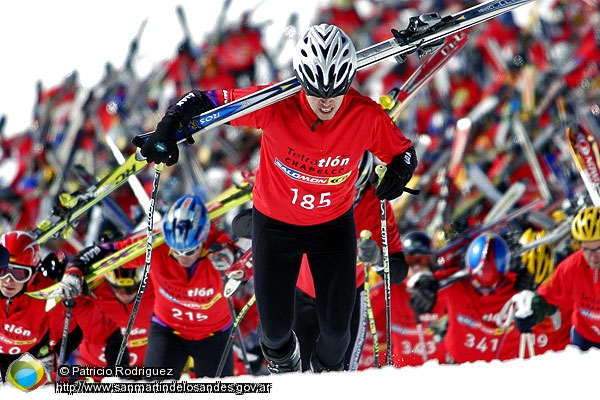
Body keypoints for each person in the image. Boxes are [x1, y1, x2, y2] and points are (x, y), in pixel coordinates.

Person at [137, 23, 417, 373]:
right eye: (317, 91)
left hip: (332, 229)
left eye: (337, 91)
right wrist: (170, 122)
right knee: (275, 334)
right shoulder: (275, 103)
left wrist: (398, 173)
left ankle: (325, 384)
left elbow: (404, 152)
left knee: (336, 337)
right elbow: (204, 100)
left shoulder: (365, 114)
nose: (327, 102)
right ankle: (289, 373)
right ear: (303, 81)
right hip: (276, 227)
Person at [56, 194, 240, 379]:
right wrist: (74, 270)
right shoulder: (156, 244)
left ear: (203, 239)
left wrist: (232, 259)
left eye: (190, 250)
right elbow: (108, 251)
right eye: (176, 250)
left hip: (214, 335)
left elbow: (249, 261)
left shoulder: (219, 246)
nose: (182, 256)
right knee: (154, 390)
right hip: (169, 332)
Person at [293, 151, 407, 371]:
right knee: (296, 374)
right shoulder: (311, 191)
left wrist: (377, 258)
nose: (348, 197)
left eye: (356, 190)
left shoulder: (376, 205)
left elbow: (399, 270)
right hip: (303, 296)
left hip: (347, 300)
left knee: (342, 375)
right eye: (341, 189)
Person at [0, 231, 124, 382]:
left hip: (26, 364)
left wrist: (57, 356)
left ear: (32, 275)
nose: (8, 280)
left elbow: (74, 333)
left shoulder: (47, 298)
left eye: (19, 274)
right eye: (3, 271)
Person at [409, 233, 523, 363]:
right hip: (458, 367)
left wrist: (531, 286)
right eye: (478, 285)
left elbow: (544, 296)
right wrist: (425, 286)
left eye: (493, 286)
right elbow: (424, 282)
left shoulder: (517, 287)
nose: (485, 291)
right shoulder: (456, 283)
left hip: (503, 369)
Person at [513, 206, 600, 350]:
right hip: (585, 339)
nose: (592, 256)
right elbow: (548, 296)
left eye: (598, 249)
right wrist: (531, 314)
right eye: (586, 249)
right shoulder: (571, 267)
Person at [366, 230, 449, 368]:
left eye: (423, 260)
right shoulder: (391, 290)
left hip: (441, 369)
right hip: (404, 374)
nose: (417, 266)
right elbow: (366, 309)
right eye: (411, 260)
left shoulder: (443, 286)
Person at [72, 264, 156, 378]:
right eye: (117, 288)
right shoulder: (91, 292)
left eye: (131, 289)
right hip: (100, 377)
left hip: (149, 374)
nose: (124, 295)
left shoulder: (155, 285)